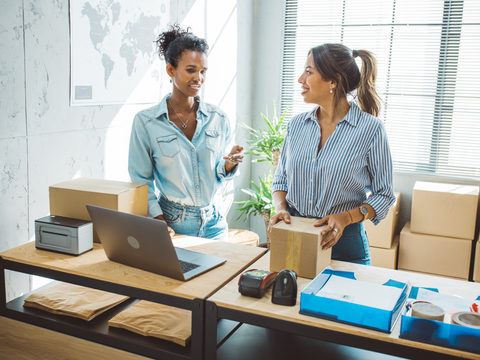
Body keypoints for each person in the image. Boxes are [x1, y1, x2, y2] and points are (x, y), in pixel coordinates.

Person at [267, 43, 395, 265]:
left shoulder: (371, 129)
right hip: (297, 234)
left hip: (346, 244)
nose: (300, 79)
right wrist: (280, 208)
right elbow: (281, 179)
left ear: (333, 81)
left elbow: (384, 195)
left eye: (308, 72)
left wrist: (346, 218)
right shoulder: (297, 125)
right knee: (294, 299)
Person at [129, 24, 243, 241]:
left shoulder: (218, 118)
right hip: (172, 223)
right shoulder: (146, 122)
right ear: (171, 70)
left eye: (203, 71)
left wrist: (229, 164)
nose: (198, 78)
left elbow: (217, 173)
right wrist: (158, 220)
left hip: (215, 222)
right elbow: (140, 180)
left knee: (220, 275)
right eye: (190, 70)